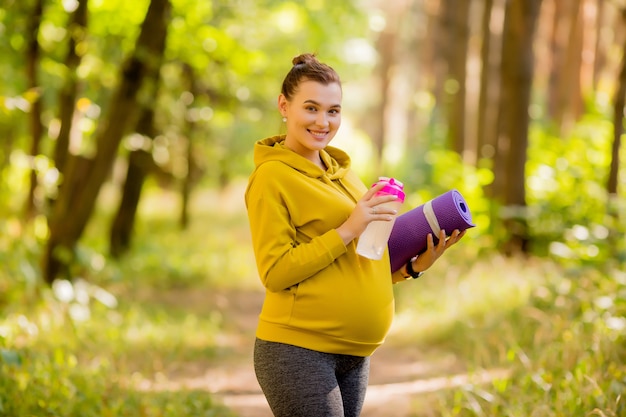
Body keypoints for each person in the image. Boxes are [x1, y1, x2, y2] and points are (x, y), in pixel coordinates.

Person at [244, 53, 465, 417]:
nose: (323, 121)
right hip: (298, 349)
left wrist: (413, 267)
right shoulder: (272, 178)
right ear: (284, 106)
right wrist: (348, 227)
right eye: (311, 108)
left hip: (354, 355)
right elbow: (276, 272)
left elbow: (353, 263)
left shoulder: (343, 174)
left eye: (333, 111)